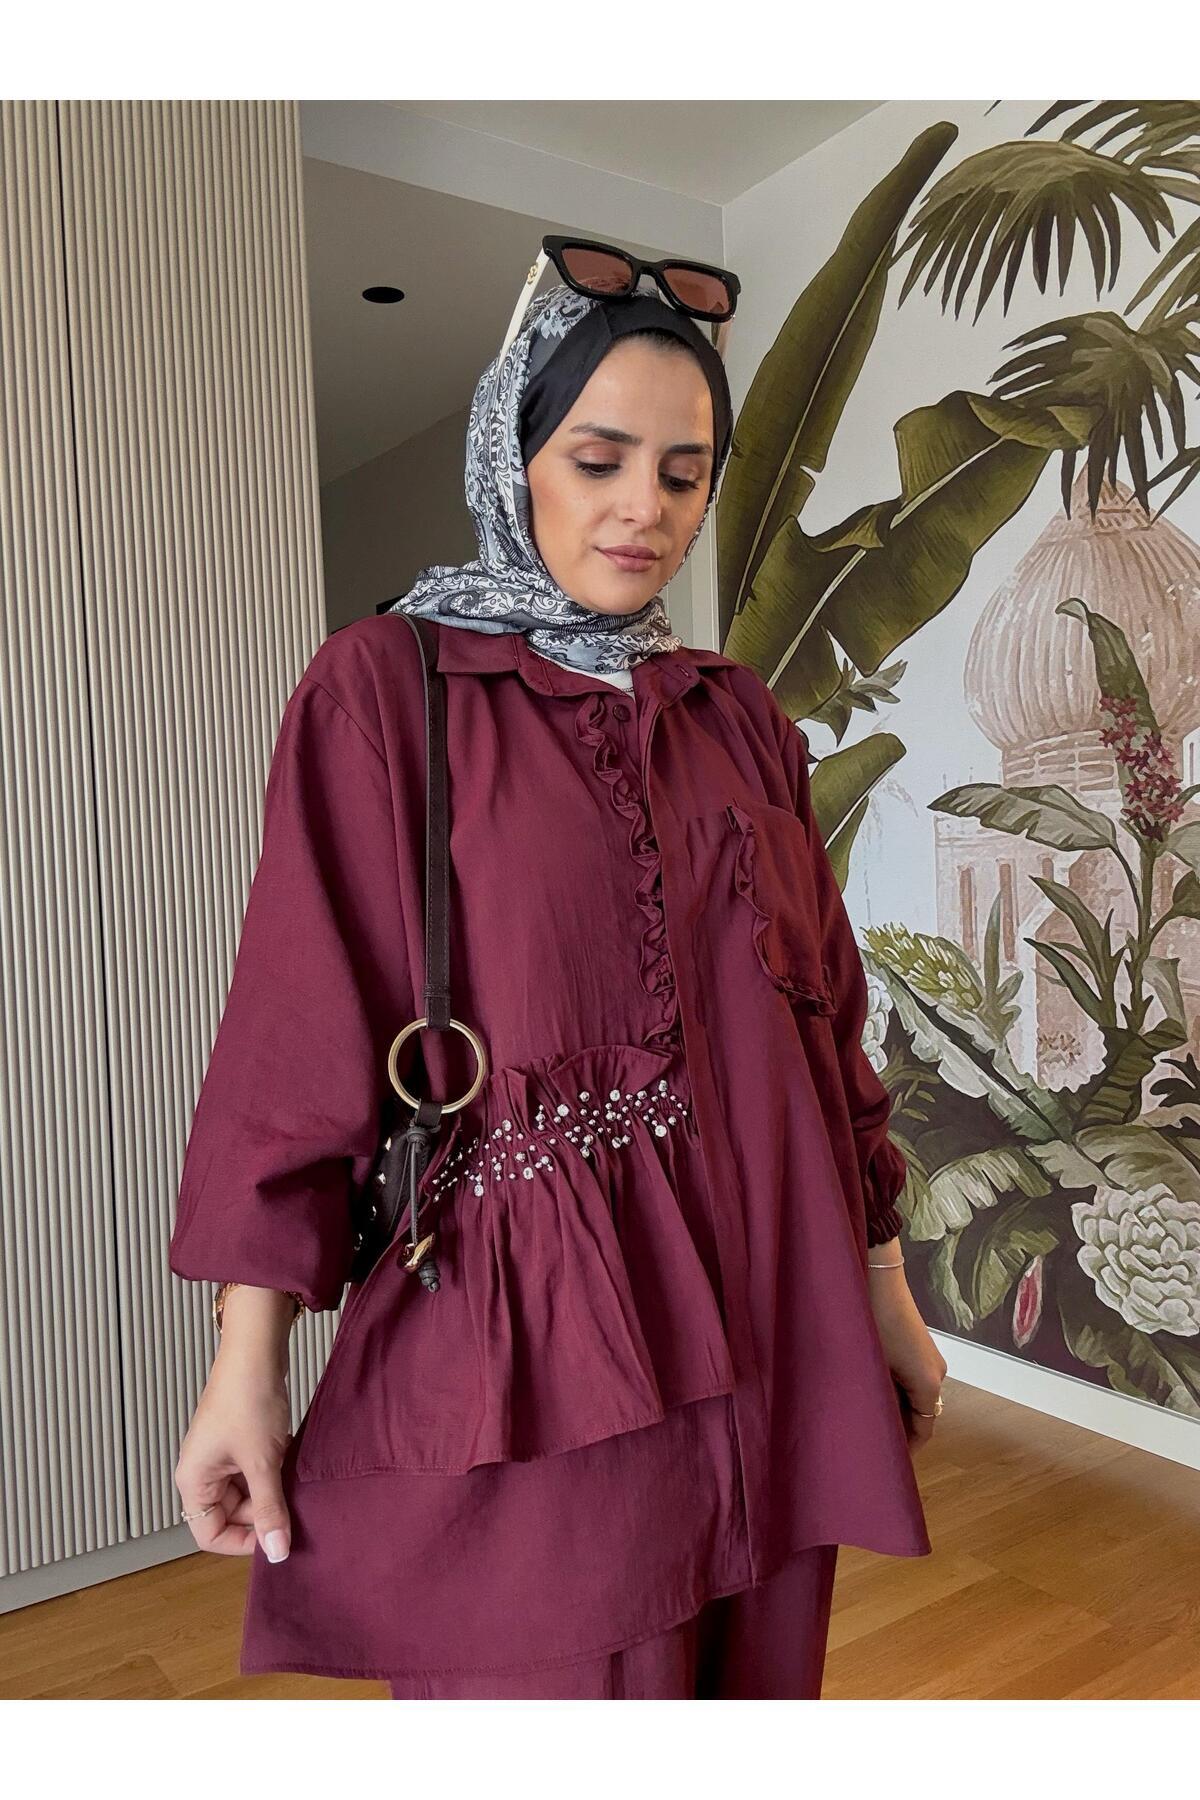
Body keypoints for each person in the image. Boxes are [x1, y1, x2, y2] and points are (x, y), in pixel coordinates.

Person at [169, 259, 946, 1701]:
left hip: (780, 1324)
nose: (644, 507)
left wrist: (885, 1293)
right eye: (597, 460)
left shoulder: (740, 720)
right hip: (547, 1350)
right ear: (513, 455)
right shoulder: (386, 689)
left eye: (683, 472)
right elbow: (297, 1036)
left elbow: (827, 1026)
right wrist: (246, 1364)